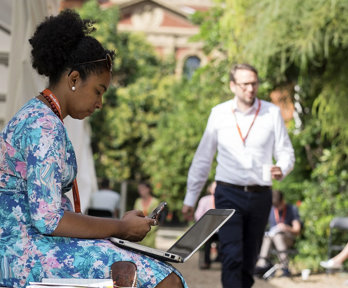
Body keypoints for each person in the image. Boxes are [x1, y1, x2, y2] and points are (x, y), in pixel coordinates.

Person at [0, 10, 186, 288]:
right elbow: (49, 220)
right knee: (164, 279)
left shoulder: (39, 116)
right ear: (74, 79)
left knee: (146, 266)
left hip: (28, 246)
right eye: (99, 90)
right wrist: (121, 228)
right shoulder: (44, 127)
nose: (100, 103)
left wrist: (116, 227)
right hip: (22, 256)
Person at [182, 63, 295, 288]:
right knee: (231, 254)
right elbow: (203, 158)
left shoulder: (271, 112)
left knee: (249, 258)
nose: (250, 89)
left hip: (260, 195)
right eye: (244, 84)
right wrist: (190, 199)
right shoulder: (219, 113)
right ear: (233, 86)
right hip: (228, 192)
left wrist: (282, 167)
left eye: (254, 83)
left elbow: (286, 151)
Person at [255, 190, 301, 277]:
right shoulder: (271, 210)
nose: (277, 208)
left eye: (278, 205)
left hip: (288, 238)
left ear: (283, 200)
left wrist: (287, 228)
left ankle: (285, 266)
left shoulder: (292, 209)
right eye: (274, 206)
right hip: (272, 239)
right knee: (267, 237)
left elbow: (297, 230)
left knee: (277, 236)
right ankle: (261, 264)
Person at [194, 181, 219, 270]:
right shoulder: (204, 200)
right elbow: (198, 215)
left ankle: (223, 260)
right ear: (210, 189)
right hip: (208, 228)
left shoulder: (223, 200)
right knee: (207, 238)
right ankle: (206, 261)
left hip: (221, 229)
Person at [134, 181, 160, 248]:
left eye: (142, 189)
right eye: (139, 189)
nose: (140, 191)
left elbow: (155, 218)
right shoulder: (138, 201)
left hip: (150, 231)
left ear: (148, 189)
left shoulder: (155, 201)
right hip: (138, 230)